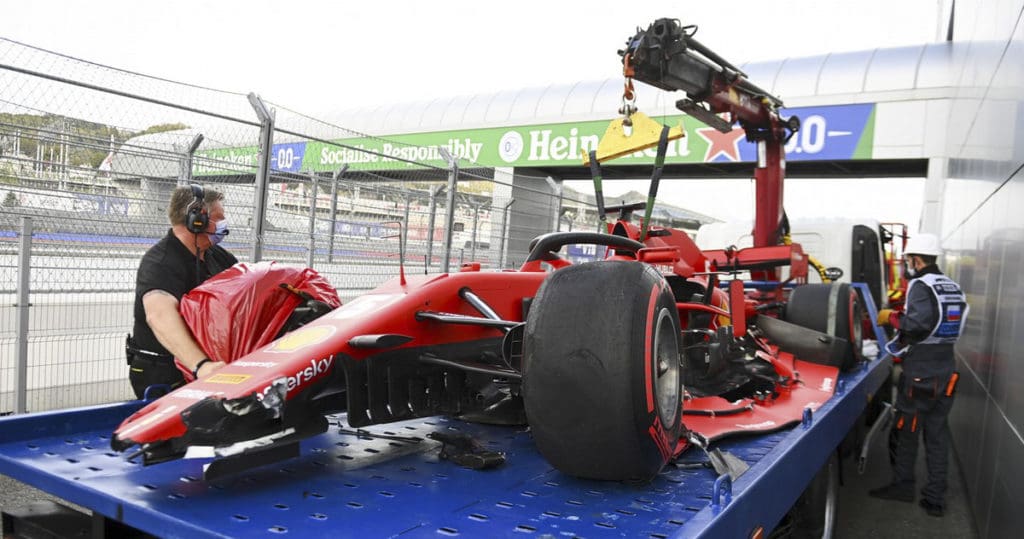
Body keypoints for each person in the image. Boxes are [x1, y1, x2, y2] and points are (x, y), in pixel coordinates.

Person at [869, 232, 969, 517]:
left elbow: (917, 325)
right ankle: (935, 498)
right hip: (946, 369)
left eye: (909, 259)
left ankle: (903, 487)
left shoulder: (920, 285)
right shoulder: (951, 286)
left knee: (907, 431)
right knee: (937, 435)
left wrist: (892, 317)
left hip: (921, 374)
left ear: (915, 259)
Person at [126, 184, 237, 398]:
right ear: (197, 220)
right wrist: (201, 366)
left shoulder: (217, 256)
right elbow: (159, 315)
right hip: (164, 373)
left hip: (211, 367)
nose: (224, 224)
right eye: (218, 217)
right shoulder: (160, 262)